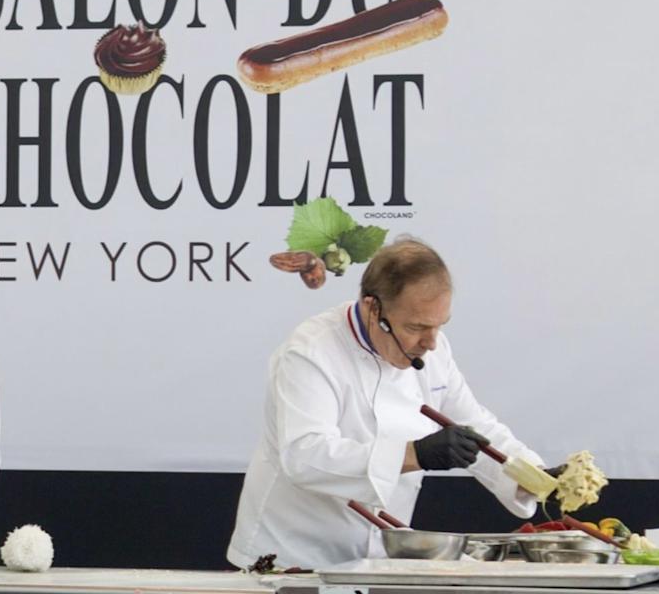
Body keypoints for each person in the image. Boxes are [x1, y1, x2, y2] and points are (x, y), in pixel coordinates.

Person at [228, 237, 549, 569]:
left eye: (439, 326)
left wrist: (535, 476)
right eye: (416, 327)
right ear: (372, 308)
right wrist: (415, 454)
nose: (430, 343)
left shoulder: (433, 349)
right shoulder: (311, 353)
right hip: (293, 556)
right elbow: (305, 455)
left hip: (378, 558)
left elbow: (475, 427)